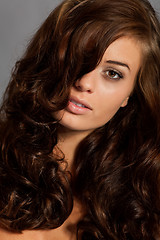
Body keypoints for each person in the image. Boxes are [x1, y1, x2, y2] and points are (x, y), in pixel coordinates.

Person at [0, 0, 160, 239]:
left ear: (130, 93)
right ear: (50, 57)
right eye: (78, 56)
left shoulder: (144, 201)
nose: (84, 83)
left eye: (112, 73)